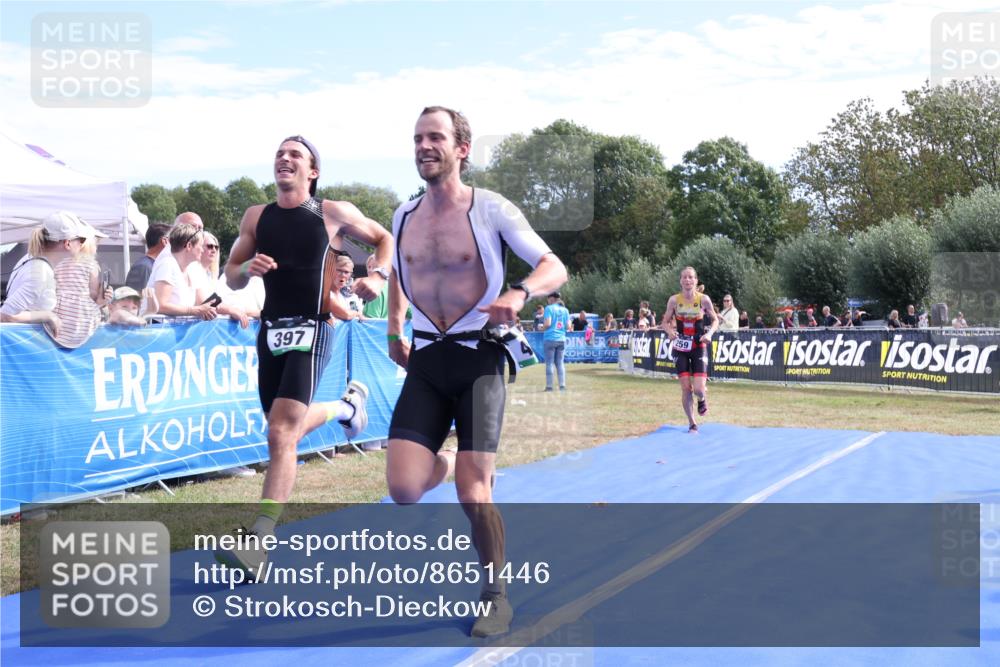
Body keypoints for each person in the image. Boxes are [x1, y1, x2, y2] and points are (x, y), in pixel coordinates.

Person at [384, 107, 566, 638]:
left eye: (435, 137)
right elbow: (400, 272)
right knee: (403, 489)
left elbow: (554, 265)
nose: (424, 146)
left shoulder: (490, 209)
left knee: (474, 492)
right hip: (426, 359)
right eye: (418, 137)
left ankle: (495, 594)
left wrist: (520, 291)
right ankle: (444, 461)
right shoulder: (402, 215)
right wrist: (394, 326)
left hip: (480, 356)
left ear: (462, 148)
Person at [213, 135, 393, 576]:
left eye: (295, 155)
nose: (284, 158)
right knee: (283, 433)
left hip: (314, 328)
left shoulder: (332, 213)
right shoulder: (257, 217)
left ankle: (259, 541)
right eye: (279, 153)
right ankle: (347, 406)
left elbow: (384, 238)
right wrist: (245, 270)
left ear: (312, 171)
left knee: (280, 431)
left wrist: (380, 274)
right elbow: (231, 276)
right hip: (270, 330)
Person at [0, 210, 103, 332]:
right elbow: (5, 315)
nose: (82, 244)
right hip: (26, 344)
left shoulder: (32, 259)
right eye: (81, 240)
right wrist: (48, 316)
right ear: (67, 243)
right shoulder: (41, 272)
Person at [661, 266, 719, 434]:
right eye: (684, 277)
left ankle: (702, 399)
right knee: (686, 388)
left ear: (695, 280)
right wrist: (670, 332)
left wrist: (709, 334)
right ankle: (692, 423)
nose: (687, 280)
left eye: (690, 277)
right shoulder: (674, 300)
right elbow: (665, 321)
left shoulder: (703, 299)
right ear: (680, 281)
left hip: (699, 345)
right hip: (680, 347)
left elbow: (715, 320)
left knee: (699, 389)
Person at [47, 230, 111, 348]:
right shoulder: (91, 264)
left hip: (57, 316)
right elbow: (93, 294)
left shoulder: (57, 261)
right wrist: (101, 300)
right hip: (79, 319)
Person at [147, 223, 218, 320]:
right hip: (158, 331)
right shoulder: (167, 265)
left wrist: (230, 307)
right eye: (200, 245)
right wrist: (195, 310)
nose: (202, 250)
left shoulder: (191, 269)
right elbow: (160, 305)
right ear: (189, 246)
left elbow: (205, 302)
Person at [125, 222, 171, 291]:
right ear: (165, 241)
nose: (177, 244)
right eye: (174, 240)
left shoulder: (153, 265)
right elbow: (135, 299)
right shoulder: (143, 267)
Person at [541, 292, 570, 391]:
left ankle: (549, 387)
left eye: (548, 299)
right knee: (560, 363)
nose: (547, 301)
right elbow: (568, 326)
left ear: (551, 298)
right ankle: (562, 386)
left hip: (550, 338)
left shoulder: (548, 308)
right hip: (561, 339)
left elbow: (548, 324)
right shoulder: (565, 310)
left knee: (549, 363)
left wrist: (541, 328)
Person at [330, 254, 364, 321]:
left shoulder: (351, 295)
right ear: (330, 270)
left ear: (350, 274)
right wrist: (357, 314)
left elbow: (358, 316)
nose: (342, 275)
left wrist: (357, 313)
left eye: (346, 272)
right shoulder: (323, 292)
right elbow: (346, 315)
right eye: (339, 270)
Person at [362, 253, 390, 319]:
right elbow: (410, 313)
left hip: (377, 327)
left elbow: (371, 321)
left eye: (374, 267)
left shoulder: (374, 288)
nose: (370, 269)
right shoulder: (398, 288)